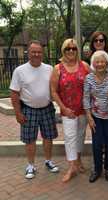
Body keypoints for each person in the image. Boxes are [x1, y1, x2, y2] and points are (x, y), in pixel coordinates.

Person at [10, 40, 59, 179]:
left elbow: (55, 89)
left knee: (48, 137)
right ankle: (30, 165)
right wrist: (18, 113)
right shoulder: (19, 71)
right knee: (30, 139)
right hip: (28, 109)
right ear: (28, 53)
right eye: (33, 52)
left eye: (39, 52)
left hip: (47, 108)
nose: (36, 54)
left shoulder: (49, 69)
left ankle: (48, 161)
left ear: (42, 53)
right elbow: (14, 93)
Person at [50, 38, 89, 182]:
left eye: (74, 48)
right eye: (68, 49)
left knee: (80, 135)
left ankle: (78, 160)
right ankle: (72, 166)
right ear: (63, 51)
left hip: (83, 110)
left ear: (77, 50)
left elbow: (92, 83)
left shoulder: (84, 66)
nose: (71, 51)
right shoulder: (57, 69)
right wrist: (63, 108)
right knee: (70, 137)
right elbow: (53, 91)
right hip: (68, 111)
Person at [83, 50, 108, 183]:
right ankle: (97, 169)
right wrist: (89, 117)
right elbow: (85, 98)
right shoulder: (88, 78)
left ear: (107, 63)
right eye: (97, 62)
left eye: (103, 61)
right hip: (95, 116)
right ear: (93, 64)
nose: (100, 64)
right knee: (96, 144)